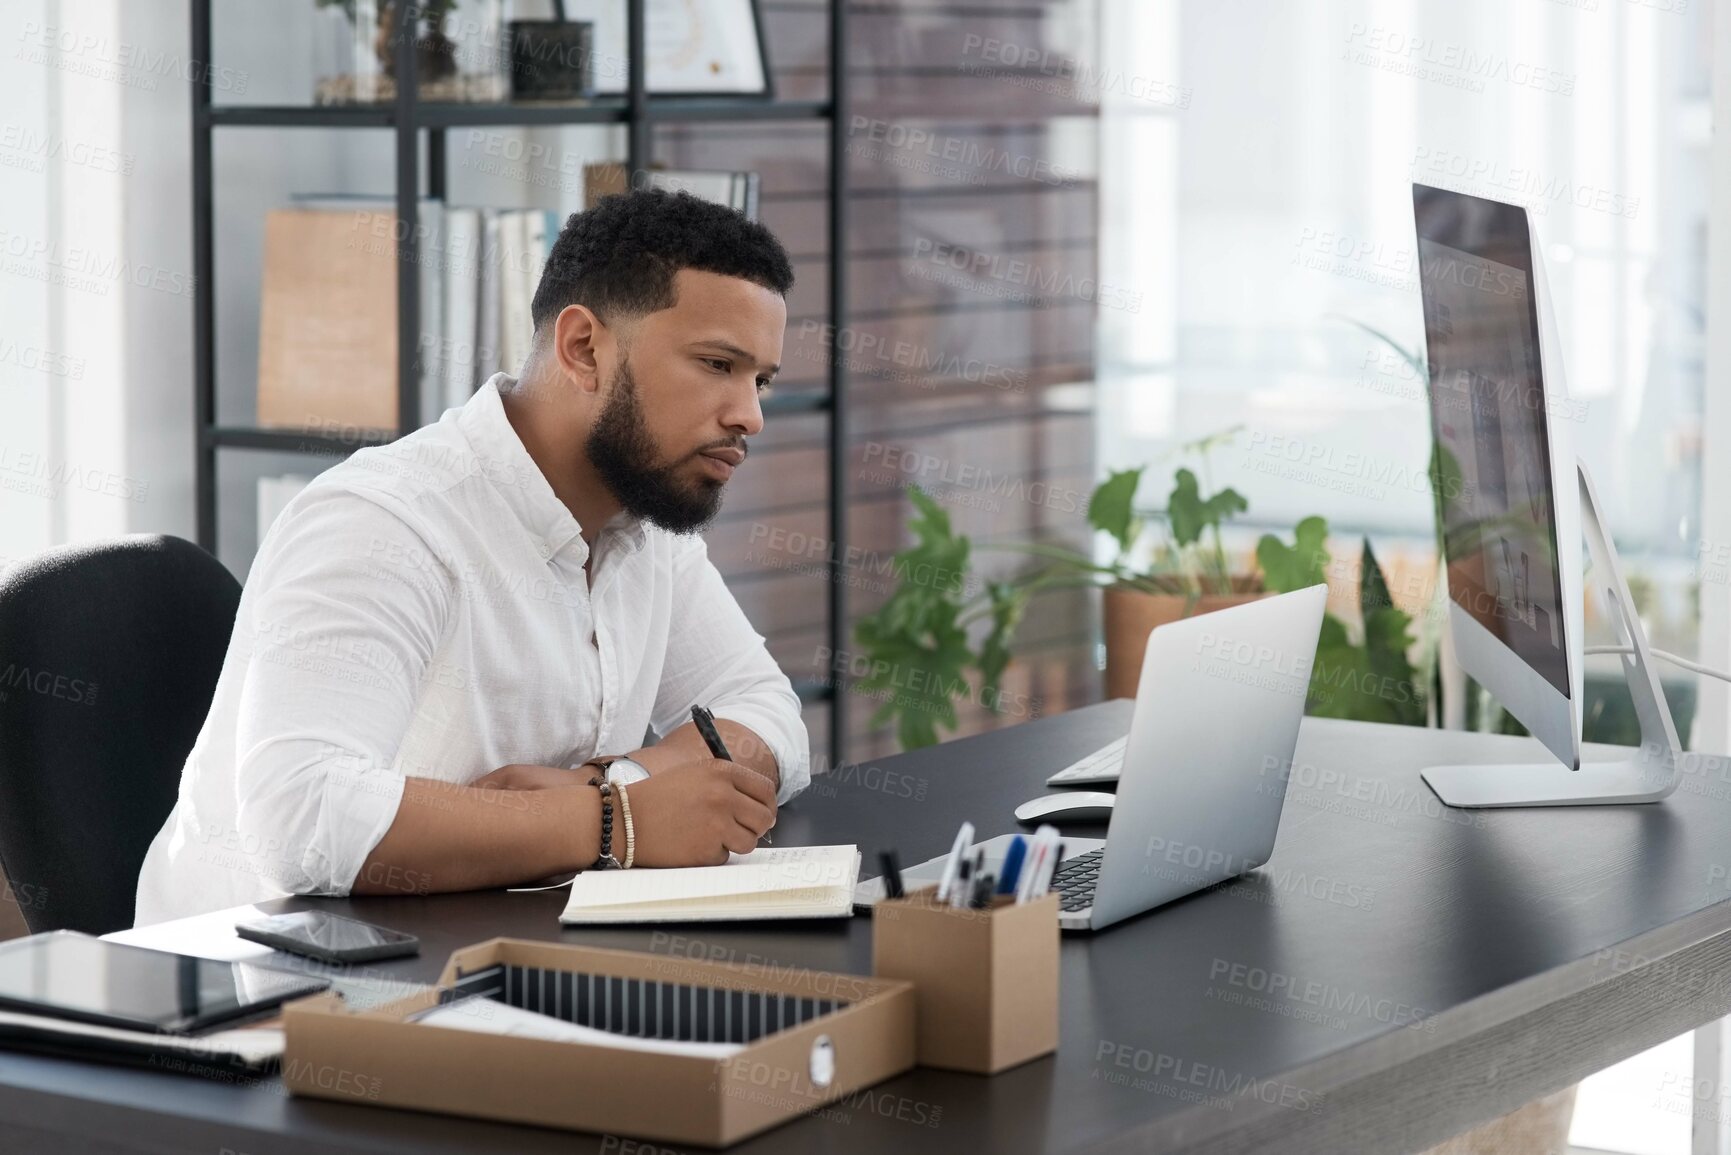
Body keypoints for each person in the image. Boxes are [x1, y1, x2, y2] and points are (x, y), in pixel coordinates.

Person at [134, 188, 808, 925]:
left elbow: (767, 712)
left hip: (476, 955)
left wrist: (612, 782)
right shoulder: (383, 521)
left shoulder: (645, 525)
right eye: (717, 364)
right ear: (583, 347)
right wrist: (617, 821)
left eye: (761, 379)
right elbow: (301, 816)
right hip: (259, 989)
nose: (750, 414)